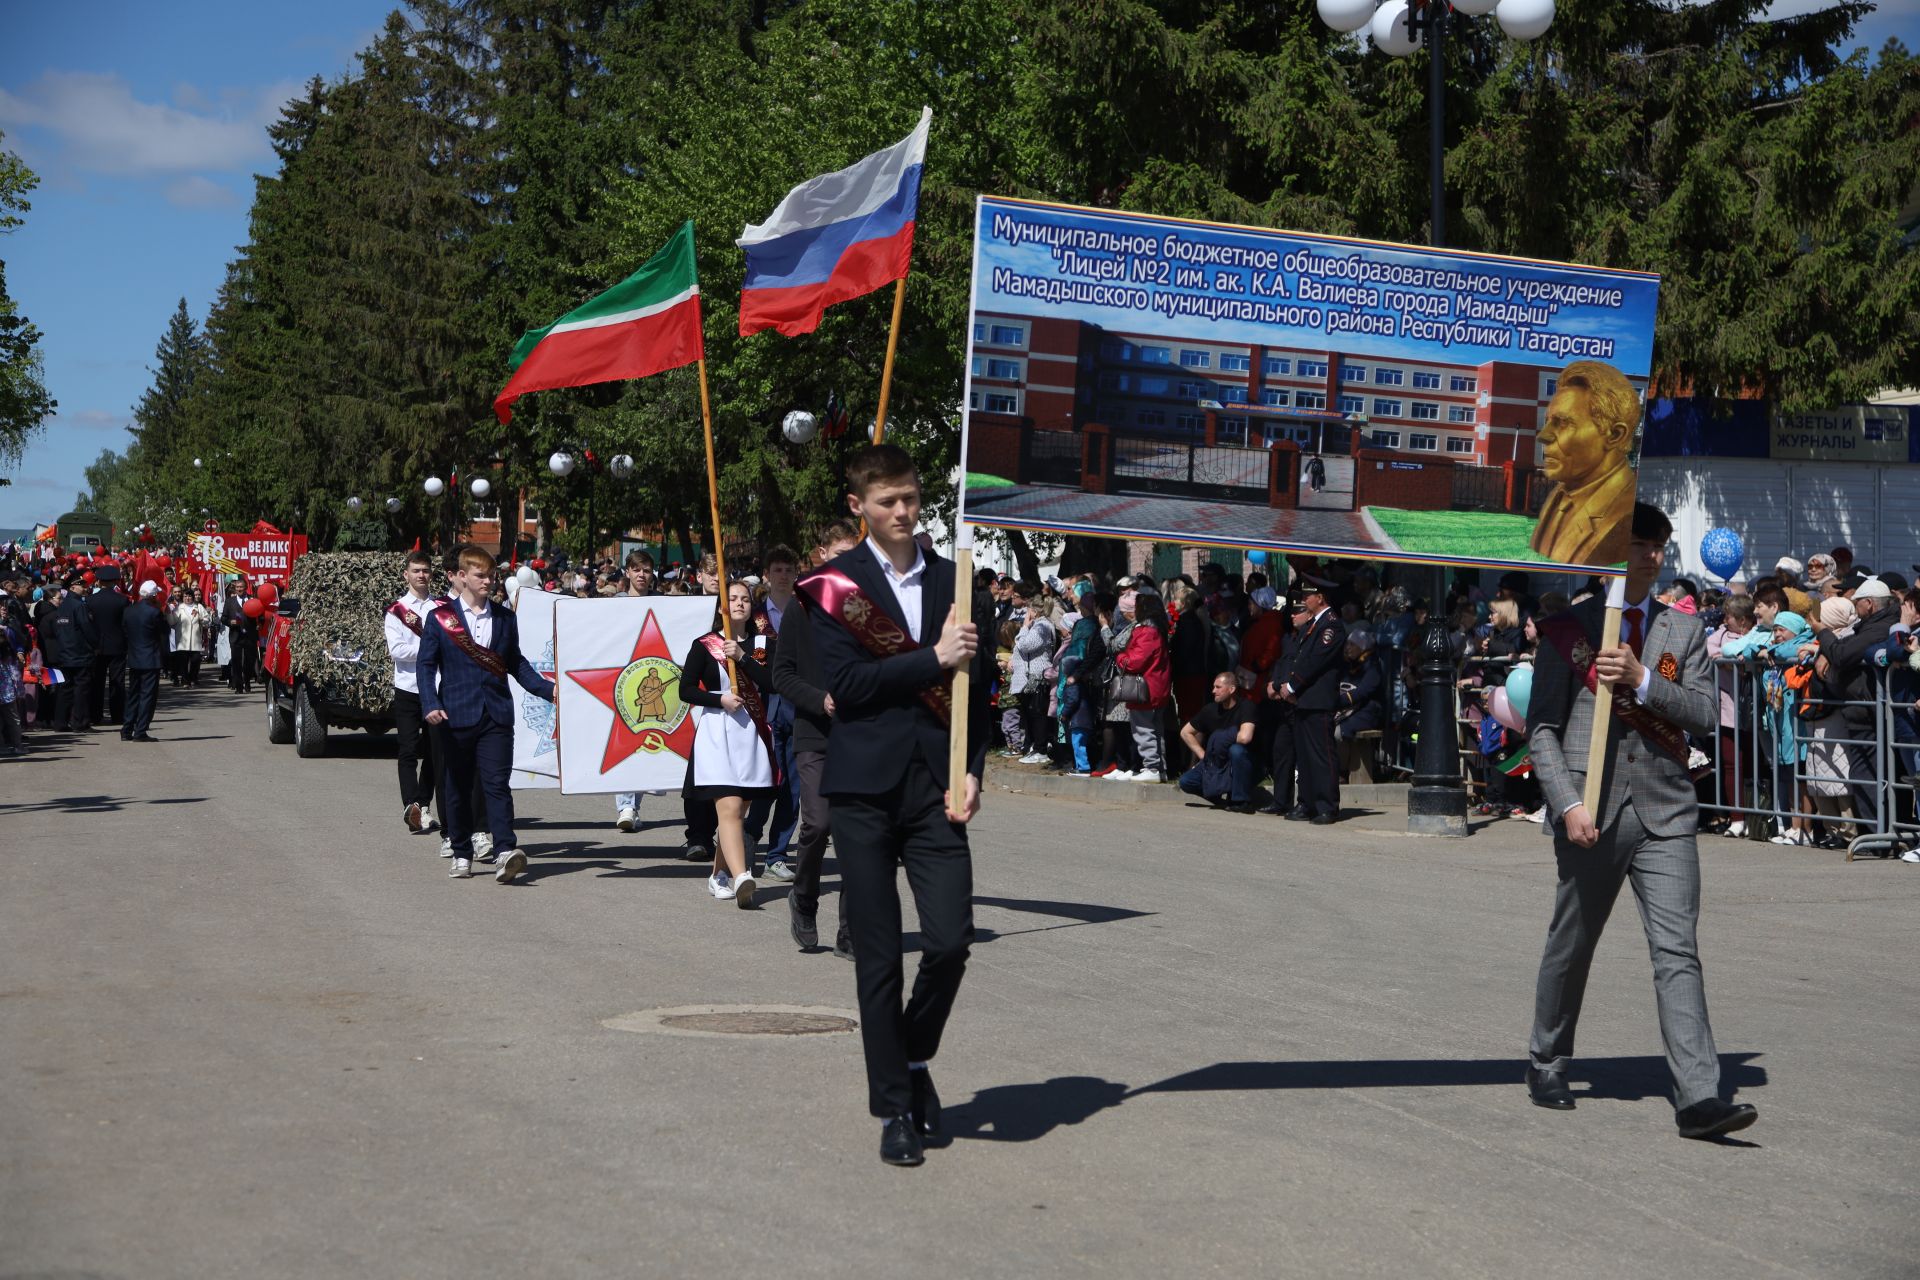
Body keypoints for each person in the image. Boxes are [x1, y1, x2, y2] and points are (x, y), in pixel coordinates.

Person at [1524, 502, 1757, 1140]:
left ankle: (1699, 1097)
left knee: (1678, 951)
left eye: (1658, 546)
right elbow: (1542, 731)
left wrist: (1644, 680)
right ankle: (1547, 1058)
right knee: (1572, 945)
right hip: (1590, 812)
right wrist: (1567, 803)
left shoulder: (1681, 632)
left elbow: (1707, 714)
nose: (1651, 556)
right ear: (1608, 550)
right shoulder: (1565, 629)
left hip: (1666, 812)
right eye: (1638, 543)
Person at [803, 443, 992, 1168]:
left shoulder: (957, 580)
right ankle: (893, 1110)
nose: (905, 512)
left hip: (935, 788)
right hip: (860, 790)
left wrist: (973, 769)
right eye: (888, 502)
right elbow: (847, 685)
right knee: (878, 957)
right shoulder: (833, 586)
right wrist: (932, 660)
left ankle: (913, 1062)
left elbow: (980, 695)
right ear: (860, 507)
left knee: (949, 941)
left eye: (911, 497)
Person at [417, 545, 555, 883]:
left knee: (496, 785)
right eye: (481, 575)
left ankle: (505, 851)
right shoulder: (440, 618)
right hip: (455, 714)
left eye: (492, 575)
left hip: (496, 715)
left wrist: (549, 689)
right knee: (458, 787)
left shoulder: (506, 618)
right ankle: (461, 852)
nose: (489, 581)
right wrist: (431, 703)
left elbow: (516, 664)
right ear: (462, 577)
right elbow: (425, 665)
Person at [775, 521, 862, 957]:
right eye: (840, 551)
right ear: (822, 553)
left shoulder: (871, 608)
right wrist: (819, 699)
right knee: (820, 823)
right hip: (815, 735)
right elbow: (782, 675)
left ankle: (850, 931)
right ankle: (804, 899)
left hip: (862, 738)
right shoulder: (801, 606)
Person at [681, 580, 778, 906]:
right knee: (731, 807)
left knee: (737, 812)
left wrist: (743, 657)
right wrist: (718, 699)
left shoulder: (761, 643)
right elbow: (685, 690)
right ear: (722, 606)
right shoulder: (705, 644)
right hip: (716, 733)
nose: (738, 603)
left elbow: (771, 682)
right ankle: (742, 877)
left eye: (744, 599)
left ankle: (718, 874)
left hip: (750, 733)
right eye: (732, 599)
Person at [1527, 361, 1640, 567]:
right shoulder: (1559, 495)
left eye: (1563, 423)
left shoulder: (1625, 515)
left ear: (1614, 435)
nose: (1543, 436)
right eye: (1548, 422)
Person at [745, 544, 803, 881]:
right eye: (777, 570)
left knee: (793, 787)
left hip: (797, 708)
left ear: (796, 575)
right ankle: (751, 836)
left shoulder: (806, 611)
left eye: (788, 569)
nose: (783, 575)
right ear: (767, 575)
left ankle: (778, 853)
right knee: (765, 782)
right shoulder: (753, 616)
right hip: (762, 707)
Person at [385, 551, 444, 839]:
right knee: (408, 749)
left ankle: (424, 802)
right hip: (408, 687)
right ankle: (410, 805)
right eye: (416, 570)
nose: (421, 575)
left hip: (436, 687)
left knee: (435, 751)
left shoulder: (442, 607)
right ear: (406, 575)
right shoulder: (396, 610)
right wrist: (431, 649)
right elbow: (397, 651)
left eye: (425, 570)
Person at [1279, 581, 1347, 825]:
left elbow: (1315, 661)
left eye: (1308, 595)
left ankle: (1327, 805)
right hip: (1304, 701)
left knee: (1321, 756)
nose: (1304, 599)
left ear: (1320, 597)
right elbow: (1299, 657)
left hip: (1318, 700)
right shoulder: (1314, 625)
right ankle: (1306, 802)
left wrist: (1293, 685)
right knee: (1305, 756)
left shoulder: (1331, 626)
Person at [611, 549, 656, 832]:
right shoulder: (614, 603)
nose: (641, 575)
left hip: (647, 677)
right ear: (627, 572)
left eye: (647, 570)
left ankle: (633, 805)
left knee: (644, 742)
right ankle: (626, 804)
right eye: (637, 569)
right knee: (626, 741)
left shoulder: (659, 604)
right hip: (618, 679)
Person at [1177, 671, 1258, 811]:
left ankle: (1241, 801)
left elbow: (1245, 737)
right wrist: (1203, 755)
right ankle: (1219, 799)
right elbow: (1185, 732)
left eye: (1218, 687)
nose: (1213, 691)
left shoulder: (1246, 706)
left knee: (1236, 750)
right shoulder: (1210, 710)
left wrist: (1222, 737)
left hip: (1241, 763)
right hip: (1216, 761)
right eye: (1214, 687)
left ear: (1231, 689)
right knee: (1185, 782)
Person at [47, 575, 98, 732]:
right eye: (81, 585)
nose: (84, 588)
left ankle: (60, 722)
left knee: (65, 688)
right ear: (72, 587)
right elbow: (86, 627)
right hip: (79, 653)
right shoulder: (78, 605)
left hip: (65, 652)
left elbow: (58, 629)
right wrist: (96, 644)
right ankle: (80, 722)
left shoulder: (62, 606)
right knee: (81, 689)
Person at [121, 581, 169, 741]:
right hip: (150, 659)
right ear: (154, 595)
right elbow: (165, 630)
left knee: (133, 694)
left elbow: (125, 631)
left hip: (135, 657)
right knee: (147, 696)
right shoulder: (154, 612)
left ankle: (127, 729)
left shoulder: (129, 610)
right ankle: (140, 730)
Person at [87, 569, 131, 726]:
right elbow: (126, 624)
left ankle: (95, 715)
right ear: (115, 582)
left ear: (99, 581)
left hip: (96, 646)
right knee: (117, 681)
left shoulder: (90, 600)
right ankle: (118, 715)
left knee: (97, 682)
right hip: (117, 645)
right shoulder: (122, 600)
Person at [168, 587, 211, 687]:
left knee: (195, 660)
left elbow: (207, 620)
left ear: (193, 597)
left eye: (189, 596)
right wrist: (168, 613)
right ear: (183, 597)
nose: (187, 598)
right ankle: (185, 680)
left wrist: (200, 617)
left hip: (195, 639)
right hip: (182, 640)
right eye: (185, 596)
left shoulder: (198, 606)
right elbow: (172, 621)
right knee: (183, 662)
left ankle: (193, 678)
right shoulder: (179, 608)